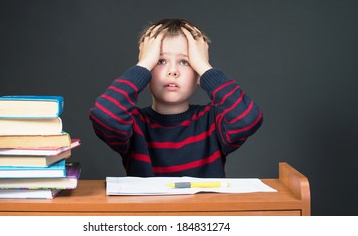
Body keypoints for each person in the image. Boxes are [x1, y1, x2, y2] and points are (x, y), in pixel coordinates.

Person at [89, 19, 263, 178]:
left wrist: (205, 68)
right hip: (149, 212)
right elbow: (105, 115)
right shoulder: (134, 124)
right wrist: (143, 65)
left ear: (198, 74)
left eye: (185, 62)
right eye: (160, 61)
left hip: (205, 212)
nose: (173, 71)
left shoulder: (213, 120)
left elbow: (247, 118)